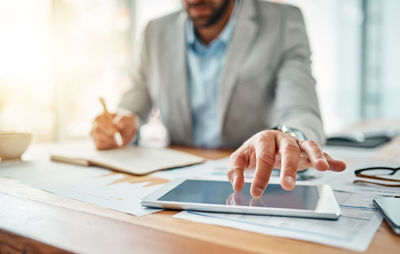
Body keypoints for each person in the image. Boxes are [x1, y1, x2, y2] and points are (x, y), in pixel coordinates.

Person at [91, 0, 346, 198]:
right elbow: (135, 101)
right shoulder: (155, 31)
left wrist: (289, 137)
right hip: (175, 184)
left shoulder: (283, 23)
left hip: (253, 182)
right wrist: (122, 123)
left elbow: (301, 109)